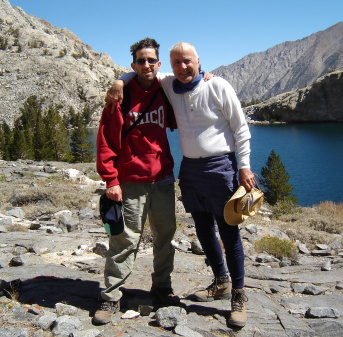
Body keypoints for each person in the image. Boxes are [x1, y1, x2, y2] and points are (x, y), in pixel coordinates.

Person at [108, 42, 256, 328]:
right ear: (170, 67)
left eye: (187, 61)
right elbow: (141, 73)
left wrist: (244, 166)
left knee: (228, 230)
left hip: (220, 167)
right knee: (203, 229)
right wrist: (119, 80)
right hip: (189, 169)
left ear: (199, 61)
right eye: (177, 63)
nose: (183, 67)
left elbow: (240, 128)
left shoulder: (218, 86)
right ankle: (220, 281)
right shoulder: (171, 85)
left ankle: (238, 294)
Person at [94, 37, 179, 325]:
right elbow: (106, 139)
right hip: (130, 181)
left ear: (158, 64)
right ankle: (111, 296)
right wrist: (110, 179)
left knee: (165, 237)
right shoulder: (122, 95)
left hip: (163, 178)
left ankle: (162, 288)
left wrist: (207, 76)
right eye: (140, 60)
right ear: (133, 65)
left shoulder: (166, 89)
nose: (146, 64)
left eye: (151, 60)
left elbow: (190, 89)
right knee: (124, 240)